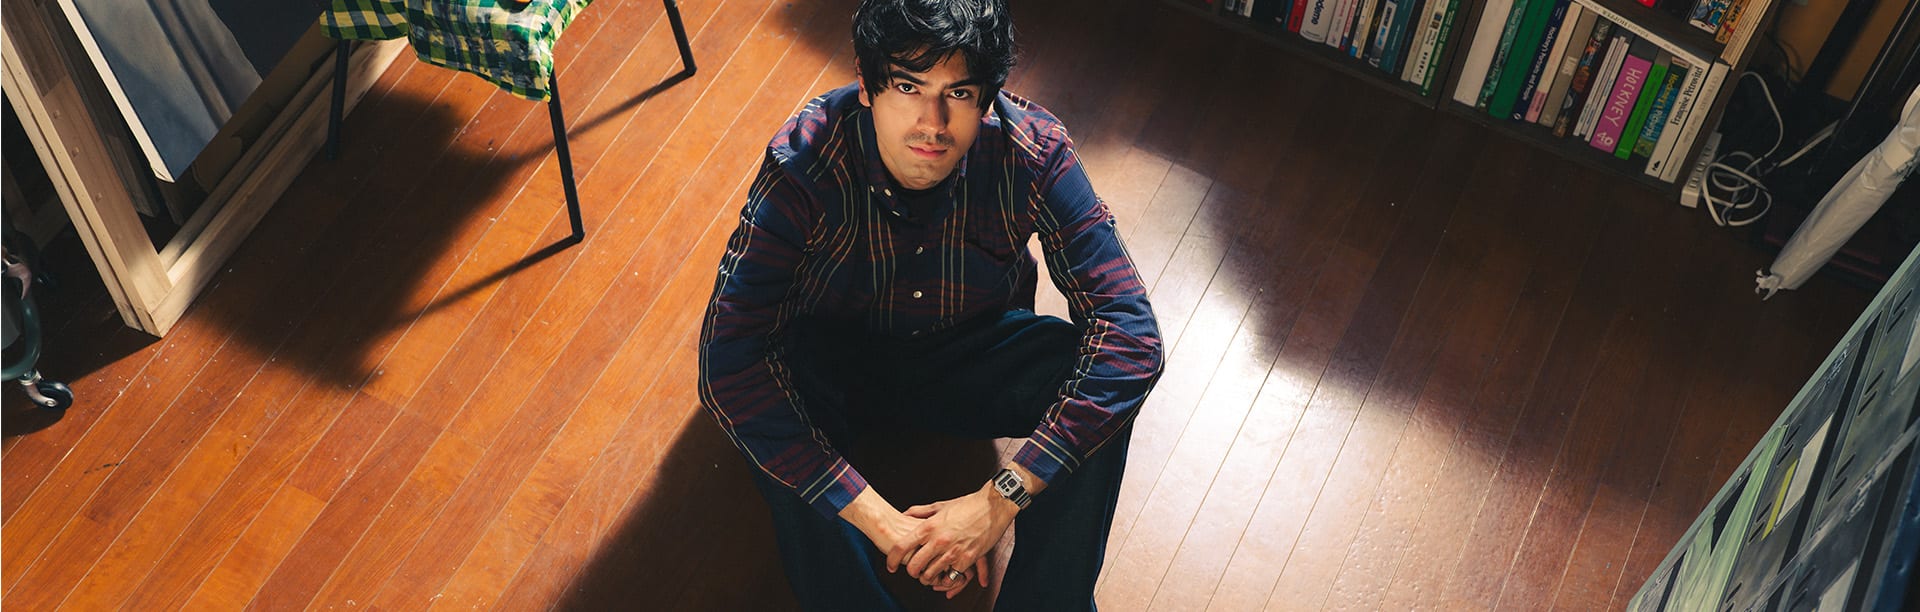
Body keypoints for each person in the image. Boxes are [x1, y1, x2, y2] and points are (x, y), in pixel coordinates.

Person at [696, 0, 1164, 609]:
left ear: (988, 99)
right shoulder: (805, 163)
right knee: (768, 399)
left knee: (1099, 374)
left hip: (968, 354)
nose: (933, 123)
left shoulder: (1033, 151)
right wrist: (882, 521)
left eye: (959, 93)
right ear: (866, 85)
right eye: (908, 87)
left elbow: (1132, 337)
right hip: (832, 370)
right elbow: (729, 358)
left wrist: (1001, 498)